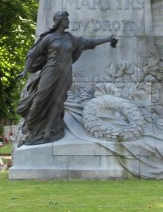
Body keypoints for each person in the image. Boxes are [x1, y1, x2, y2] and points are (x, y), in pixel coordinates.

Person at [16, 10, 116, 146]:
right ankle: (29, 125)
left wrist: (108, 39)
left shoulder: (70, 38)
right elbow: (32, 54)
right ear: (59, 21)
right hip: (50, 72)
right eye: (66, 20)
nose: (68, 22)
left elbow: (89, 43)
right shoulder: (49, 38)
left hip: (65, 74)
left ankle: (49, 129)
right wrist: (24, 71)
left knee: (58, 102)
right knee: (40, 97)